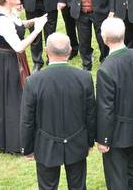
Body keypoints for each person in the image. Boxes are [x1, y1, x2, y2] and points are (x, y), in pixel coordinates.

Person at [20, 32, 96, 190]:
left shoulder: (33, 82)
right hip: (76, 142)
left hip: (45, 145)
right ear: (69, 51)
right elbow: (91, 114)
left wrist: (27, 148)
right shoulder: (84, 78)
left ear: (46, 51)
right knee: (78, 186)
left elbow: (27, 120)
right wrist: (89, 141)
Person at [0, 0, 47, 154]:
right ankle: (17, 143)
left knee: (19, 97)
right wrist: (37, 30)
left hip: (12, 60)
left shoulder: (10, 12)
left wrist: (32, 21)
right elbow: (19, 47)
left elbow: (19, 24)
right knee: (14, 99)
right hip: (8, 63)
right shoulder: (2, 20)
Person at [96, 17, 133, 190]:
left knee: (117, 177)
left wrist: (103, 139)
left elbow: (105, 109)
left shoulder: (106, 69)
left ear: (104, 39)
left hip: (117, 133)